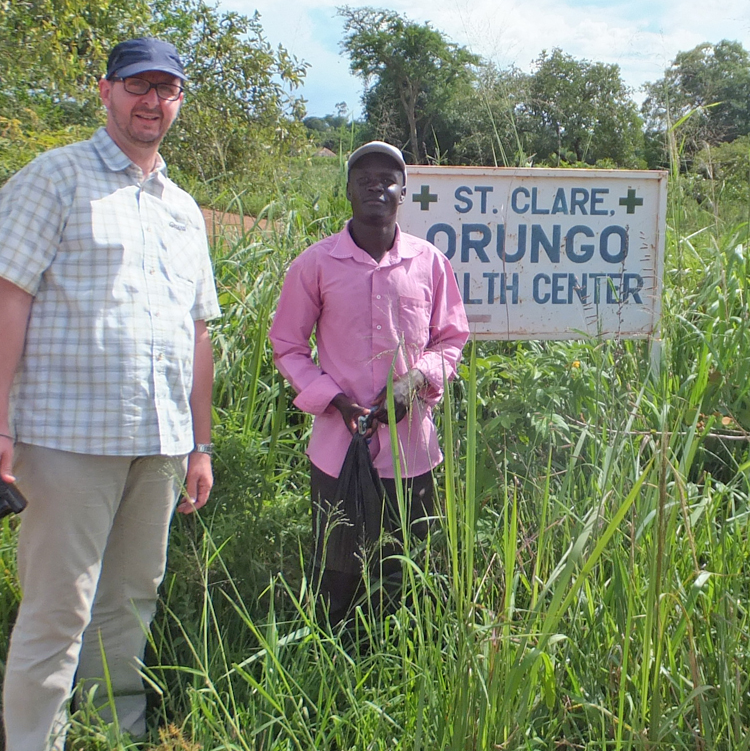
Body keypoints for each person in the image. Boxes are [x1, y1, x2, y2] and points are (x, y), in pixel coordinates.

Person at [0, 38, 220, 749]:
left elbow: (197, 332)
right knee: (58, 611)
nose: (152, 101)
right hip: (66, 438)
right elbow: (9, 299)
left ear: (179, 100)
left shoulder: (184, 210)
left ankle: (110, 735)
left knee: (129, 604)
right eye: (137, 85)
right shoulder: (54, 178)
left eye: (167, 88)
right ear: (106, 91)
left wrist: (200, 442)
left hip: (157, 445)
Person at [269, 141, 469, 624]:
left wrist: (416, 379)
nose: (376, 186)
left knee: (406, 569)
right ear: (348, 192)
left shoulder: (429, 262)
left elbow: (451, 338)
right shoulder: (315, 264)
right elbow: (288, 346)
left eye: (388, 179)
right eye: (364, 179)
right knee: (339, 572)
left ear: (404, 193)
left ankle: (401, 670)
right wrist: (334, 400)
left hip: (412, 449)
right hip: (339, 451)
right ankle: (336, 666)